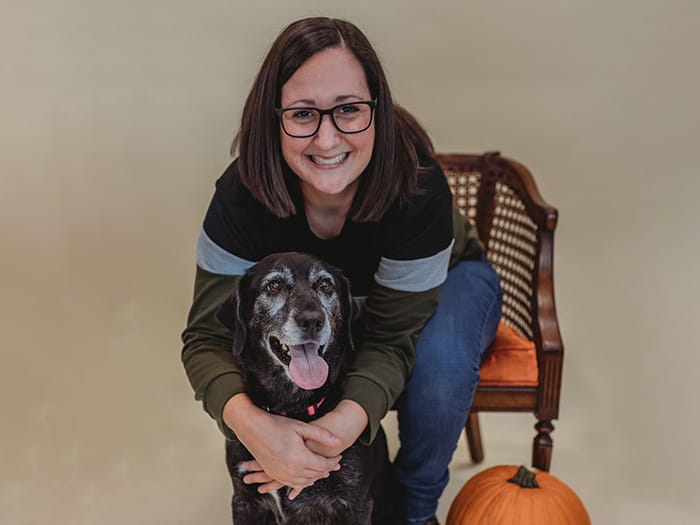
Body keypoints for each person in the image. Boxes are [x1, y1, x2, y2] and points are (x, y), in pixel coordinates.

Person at [181, 16, 502, 525]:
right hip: (328, 311)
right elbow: (206, 336)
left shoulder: (419, 188)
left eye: (349, 109)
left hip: (449, 280)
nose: (327, 139)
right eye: (303, 113)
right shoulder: (240, 197)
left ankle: (415, 513)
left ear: (377, 110)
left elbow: (392, 338)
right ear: (273, 118)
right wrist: (254, 427)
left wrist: (340, 430)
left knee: (439, 363)